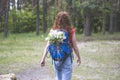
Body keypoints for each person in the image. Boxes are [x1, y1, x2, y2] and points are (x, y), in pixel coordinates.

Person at [40, 11, 81, 80]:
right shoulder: (70, 31)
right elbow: (75, 47)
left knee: (58, 78)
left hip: (56, 58)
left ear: (57, 20)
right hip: (67, 57)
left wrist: (43, 59)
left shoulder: (53, 31)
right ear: (68, 20)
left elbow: (48, 46)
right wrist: (79, 57)